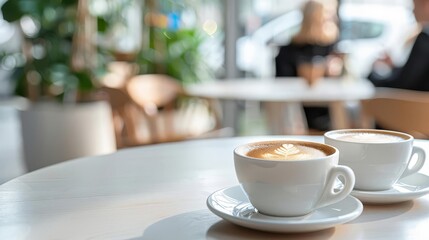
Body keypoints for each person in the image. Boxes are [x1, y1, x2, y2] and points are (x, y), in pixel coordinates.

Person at [275, 0, 342, 131]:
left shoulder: (333, 49)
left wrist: (338, 71)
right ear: (314, 16)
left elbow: (348, 85)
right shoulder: (289, 50)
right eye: (327, 14)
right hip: (297, 115)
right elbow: (281, 83)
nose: (333, 18)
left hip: (329, 114)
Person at [368, 0, 429, 91]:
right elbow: (415, 77)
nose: (412, 11)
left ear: (425, 4)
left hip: (408, 103)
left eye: (414, 5)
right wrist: (394, 67)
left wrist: (373, 75)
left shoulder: (424, 40)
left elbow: (402, 85)